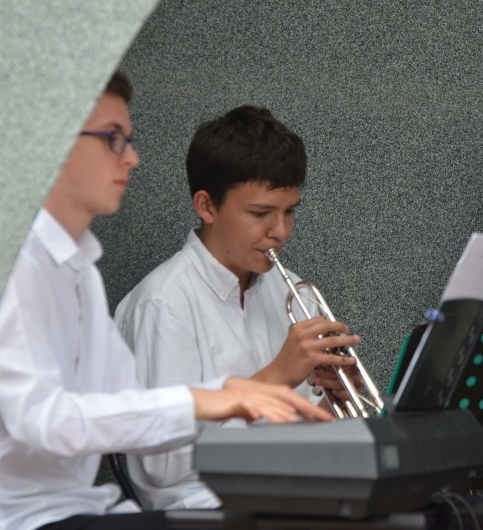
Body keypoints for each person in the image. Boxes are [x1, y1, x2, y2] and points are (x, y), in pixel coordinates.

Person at [0, 72, 332, 530]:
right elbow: (44, 420)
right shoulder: (7, 266)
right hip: (7, 519)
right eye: (113, 139)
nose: (132, 158)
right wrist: (219, 397)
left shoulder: (80, 272)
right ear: (50, 142)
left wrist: (271, 398)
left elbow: (127, 408)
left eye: (128, 139)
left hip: (81, 509)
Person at [114, 105, 360, 510]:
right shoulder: (163, 305)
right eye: (260, 213)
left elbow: (307, 443)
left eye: (289, 212)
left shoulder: (295, 293)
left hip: (291, 500)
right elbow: (161, 465)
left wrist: (335, 401)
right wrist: (275, 378)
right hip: (201, 512)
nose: (280, 232)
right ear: (207, 206)